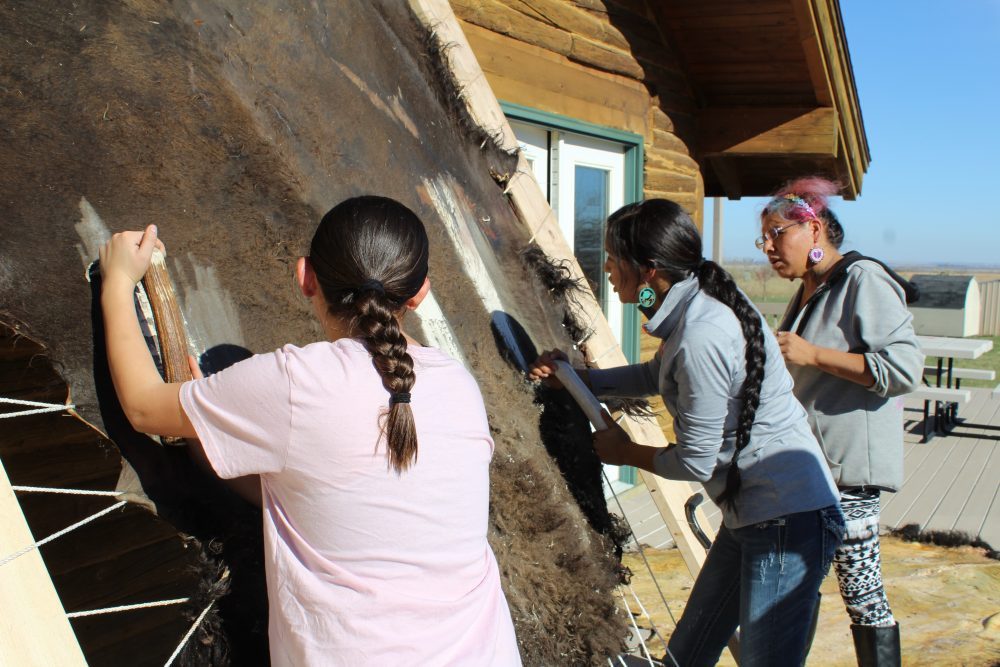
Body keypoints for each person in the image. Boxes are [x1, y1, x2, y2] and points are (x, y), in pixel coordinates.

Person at [100, 196, 520, 666]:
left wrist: (117, 281)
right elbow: (330, 499)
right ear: (420, 292)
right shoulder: (462, 388)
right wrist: (212, 438)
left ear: (306, 277)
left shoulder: (296, 382)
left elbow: (141, 406)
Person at [530, 199, 844, 666]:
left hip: (785, 519)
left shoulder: (702, 334)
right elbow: (658, 376)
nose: (608, 269)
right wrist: (576, 378)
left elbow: (696, 461)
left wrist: (628, 453)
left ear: (649, 269)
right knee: (688, 654)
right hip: (754, 514)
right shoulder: (695, 313)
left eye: (614, 259)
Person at [758, 177, 923, 666]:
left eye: (777, 233)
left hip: (847, 472)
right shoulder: (811, 290)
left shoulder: (862, 279)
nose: (768, 247)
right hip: (810, 468)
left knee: (861, 591)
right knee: (798, 589)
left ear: (814, 230)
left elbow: (903, 369)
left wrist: (813, 354)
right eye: (762, 238)